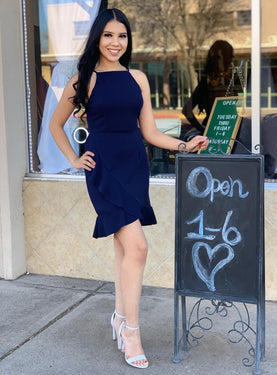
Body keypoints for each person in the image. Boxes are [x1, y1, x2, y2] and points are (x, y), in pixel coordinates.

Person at [49, 8, 208, 369]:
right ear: (97, 38)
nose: (115, 43)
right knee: (137, 245)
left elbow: (150, 133)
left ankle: (120, 318)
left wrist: (185, 145)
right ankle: (131, 332)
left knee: (125, 248)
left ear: (128, 40)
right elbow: (56, 126)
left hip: (136, 167)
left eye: (122, 36)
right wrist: (74, 161)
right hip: (103, 169)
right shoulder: (83, 79)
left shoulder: (137, 78)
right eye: (108, 35)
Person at [182, 40, 234, 137]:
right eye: (228, 56)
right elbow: (187, 111)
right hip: (214, 132)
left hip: (230, 130)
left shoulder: (231, 80)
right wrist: (203, 130)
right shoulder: (207, 83)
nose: (231, 60)